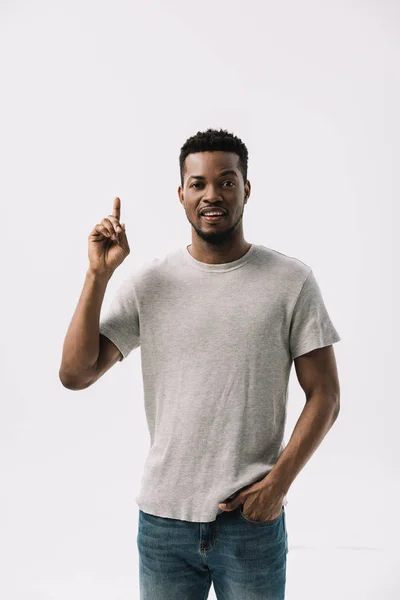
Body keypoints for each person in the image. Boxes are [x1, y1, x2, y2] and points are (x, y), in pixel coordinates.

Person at [59, 127, 341, 599]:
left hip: (250, 522)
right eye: (199, 184)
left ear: (246, 189)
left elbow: (326, 396)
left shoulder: (290, 282)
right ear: (182, 194)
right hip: (163, 524)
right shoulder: (151, 282)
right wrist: (97, 275)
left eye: (227, 182)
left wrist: (278, 485)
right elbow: (75, 373)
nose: (213, 195)